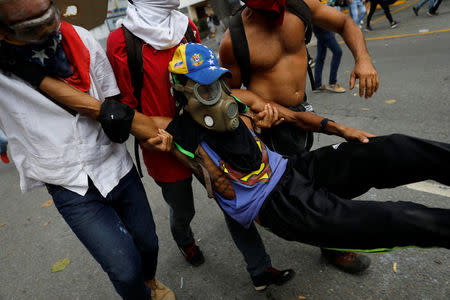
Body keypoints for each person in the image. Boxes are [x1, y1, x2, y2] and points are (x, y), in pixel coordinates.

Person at [22, 44, 450, 274]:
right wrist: (30, 73)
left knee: (388, 149)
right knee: (391, 218)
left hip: (293, 170)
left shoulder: (238, 99)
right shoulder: (175, 132)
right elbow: (107, 113)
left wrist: (341, 130)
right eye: (206, 88)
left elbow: (292, 115)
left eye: (220, 84)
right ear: (183, 92)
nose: (219, 95)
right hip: (276, 206)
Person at [106, 0, 294, 290]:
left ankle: (260, 269)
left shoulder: (184, 25)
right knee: (183, 209)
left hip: (211, 131)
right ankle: (184, 238)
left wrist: (242, 114)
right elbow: (128, 106)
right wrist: (151, 136)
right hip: (166, 143)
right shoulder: (122, 40)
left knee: (233, 200)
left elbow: (213, 77)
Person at [0, 1, 173, 299]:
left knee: (148, 244)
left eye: (50, 17)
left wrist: (145, 134)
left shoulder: (81, 37)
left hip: (115, 163)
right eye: (33, 27)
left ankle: (151, 282)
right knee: (123, 269)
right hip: (68, 183)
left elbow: (114, 103)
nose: (49, 28)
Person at [220, 0, 379, 273]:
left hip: (302, 113)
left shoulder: (298, 6)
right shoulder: (233, 38)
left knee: (307, 177)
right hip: (268, 123)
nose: (277, 16)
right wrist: (259, 105)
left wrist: (363, 58)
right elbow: (230, 90)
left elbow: (343, 22)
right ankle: (330, 245)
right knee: (300, 185)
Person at [312, 25, 346, 93]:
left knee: (320, 56)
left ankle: (317, 84)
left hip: (318, 27)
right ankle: (332, 83)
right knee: (338, 52)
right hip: (323, 27)